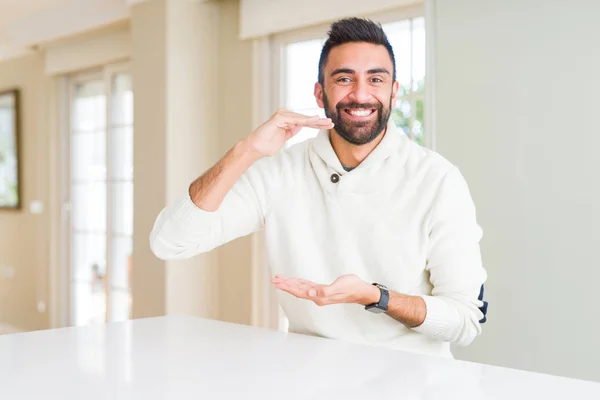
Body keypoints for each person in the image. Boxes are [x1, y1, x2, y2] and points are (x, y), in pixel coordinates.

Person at [150, 17, 487, 358]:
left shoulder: (437, 180)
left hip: (416, 383)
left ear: (393, 92)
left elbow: (465, 321)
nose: (360, 94)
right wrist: (246, 150)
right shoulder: (280, 172)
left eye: (375, 79)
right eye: (344, 79)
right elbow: (170, 243)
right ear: (319, 91)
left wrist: (375, 296)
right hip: (310, 377)